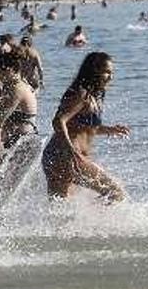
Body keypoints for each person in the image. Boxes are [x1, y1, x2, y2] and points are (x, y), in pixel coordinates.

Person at [41, 52, 129, 203]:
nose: (110, 77)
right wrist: (71, 150)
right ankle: (92, 223)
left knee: (60, 208)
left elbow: (81, 128)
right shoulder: (82, 94)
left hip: (55, 155)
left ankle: (81, 225)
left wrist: (109, 129)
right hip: (67, 156)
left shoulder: (92, 95)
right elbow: (58, 121)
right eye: (106, 72)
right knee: (116, 193)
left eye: (112, 72)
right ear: (94, 71)